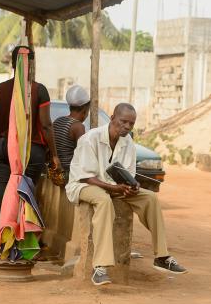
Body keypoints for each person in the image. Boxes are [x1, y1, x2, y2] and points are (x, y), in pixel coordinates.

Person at [65, 103, 187, 286]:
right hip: (83, 185)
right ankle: (100, 267)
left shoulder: (127, 141)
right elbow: (86, 177)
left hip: (112, 186)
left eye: (131, 123)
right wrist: (113, 188)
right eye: (123, 121)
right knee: (103, 200)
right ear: (113, 117)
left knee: (150, 198)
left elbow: (126, 173)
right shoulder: (90, 139)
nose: (127, 127)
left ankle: (162, 256)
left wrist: (131, 185)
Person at [0, 45, 61, 240]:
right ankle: (22, 238)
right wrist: (54, 154)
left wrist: (2, 146)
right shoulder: (38, 90)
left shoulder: (0, 89)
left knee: (1, 191)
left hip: (4, 147)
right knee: (26, 193)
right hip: (32, 151)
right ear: (31, 64)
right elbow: (46, 126)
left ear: (13, 64)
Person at [52, 85, 90, 183]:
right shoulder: (78, 126)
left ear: (70, 107)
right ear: (85, 109)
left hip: (55, 171)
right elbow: (84, 154)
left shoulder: (57, 121)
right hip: (68, 173)